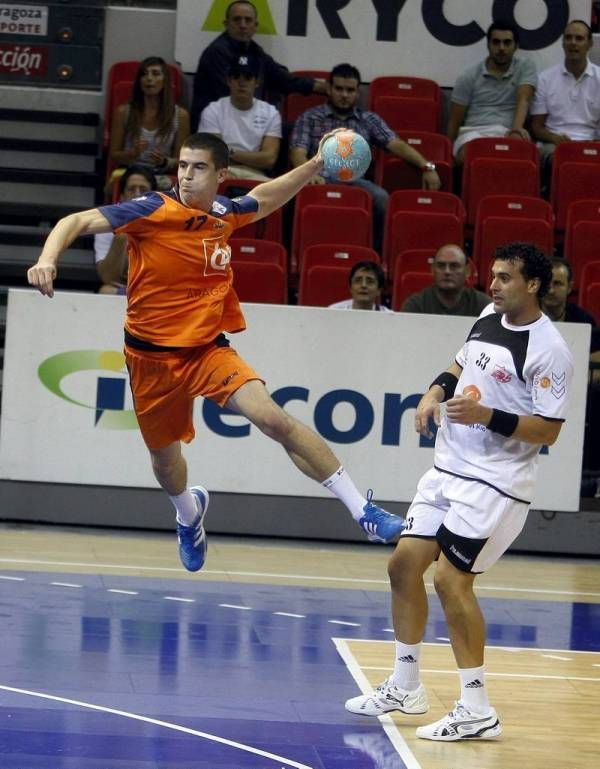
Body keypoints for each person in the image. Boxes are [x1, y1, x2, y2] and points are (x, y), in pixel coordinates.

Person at [27, 130, 406, 573]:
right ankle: (189, 515)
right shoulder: (152, 209)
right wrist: (47, 259)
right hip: (150, 359)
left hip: (208, 349)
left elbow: (263, 199)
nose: (186, 176)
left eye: (198, 168)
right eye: (183, 166)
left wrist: (315, 165)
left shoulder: (224, 213)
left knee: (273, 419)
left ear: (221, 175)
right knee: (165, 464)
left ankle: (364, 511)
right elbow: (72, 221)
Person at [345, 242, 574, 742]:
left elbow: (549, 430)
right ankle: (406, 686)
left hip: (496, 483)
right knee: (403, 564)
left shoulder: (550, 350)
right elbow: (458, 365)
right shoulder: (489, 314)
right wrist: (433, 393)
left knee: (452, 581)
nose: (493, 284)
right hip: (447, 468)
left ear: (532, 285)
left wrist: (487, 415)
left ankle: (477, 709)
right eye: (492, 275)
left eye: (505, 277)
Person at [290, 62, 441, 253]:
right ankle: (297, 253)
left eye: (350, 90)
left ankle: (375, 255)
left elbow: (396, 144)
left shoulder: (368, 119)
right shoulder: (310, 117)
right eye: (339, 89)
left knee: (382, 198)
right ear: (328, 89)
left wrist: (427, 166)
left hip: (356, 181)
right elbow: (297, 152)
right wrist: (307, 174)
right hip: (319, 179)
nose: (344, 95)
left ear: (358, 92)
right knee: (290, 196)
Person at [190, 0, 327, 130]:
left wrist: (323, 87)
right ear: (226, 24)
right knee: (289, 130)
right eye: (237, 19)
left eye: (248, 20)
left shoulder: (253, 50)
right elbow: (235, 97)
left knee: (295, 129)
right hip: (216, 127)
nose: (243, 25)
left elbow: (282, 78)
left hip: (243, 120)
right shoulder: (216, 52)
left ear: (255, 26)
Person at [447, 20, 537, 163]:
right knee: (469, 155)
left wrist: (515, 130)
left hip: (507, 131)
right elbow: (454, 121)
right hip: (473, 133)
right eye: (496, 42)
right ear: (488, 45)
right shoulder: (468, 76)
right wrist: (447, 156)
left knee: (520, 147)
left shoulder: (525, 66)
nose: (501, 48)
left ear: (516, 46)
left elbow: (524, 99)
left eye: (507, 43)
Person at [108, 56, 190, 188]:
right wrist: (132, 153)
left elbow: (181, 161)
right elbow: (114, 155)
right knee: (133, 185)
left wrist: (164, 161)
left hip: (161, 174)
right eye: (144, 74)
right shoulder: (123, 112)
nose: (149, 78)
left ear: (165, 81)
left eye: (155, 74)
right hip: (131, 171)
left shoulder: (180, 116)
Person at [199, 54, 282, 182]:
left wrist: (231, 153)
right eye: (236, 77)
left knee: (277, 190)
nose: (241, 82)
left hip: (255, 174)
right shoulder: (213, 110)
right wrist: (253, 158)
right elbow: (213, 155)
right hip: (220, 171)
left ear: (257, 82)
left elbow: (269, 159)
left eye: (248, 77)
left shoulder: (271, 113)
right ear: (228, 81)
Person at [530, 20, 600, 169]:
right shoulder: (545, 79)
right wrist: (555, 138)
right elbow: (536, 127)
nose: (573, 43)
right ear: (562, 43)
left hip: (591, 143)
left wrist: (593, 144)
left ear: (590, 44)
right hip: (554, 144)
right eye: (568, 38)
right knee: (560, 159)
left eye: (579, 38)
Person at [94, 165, 157, 295]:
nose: (137, 195)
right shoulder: (106, 222)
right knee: (106, 291)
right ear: (122, 196)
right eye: (131, 189)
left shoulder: (168, 220)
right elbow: (108, 278)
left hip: (158, 289)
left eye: (143, 190)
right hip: (127, 288)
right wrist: (122, 235)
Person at [400, 244, 490, 316]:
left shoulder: (483, 306)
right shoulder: (416, 306)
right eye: (441, 266)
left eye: (454, 266)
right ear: (432, 270)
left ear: (467, 271)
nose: (447, 271)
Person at [542, 258, 597, 325]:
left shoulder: (584, 321)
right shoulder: (526, 319)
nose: (551, 291)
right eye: (546, 283)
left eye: (557, 284)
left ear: (569, 287)